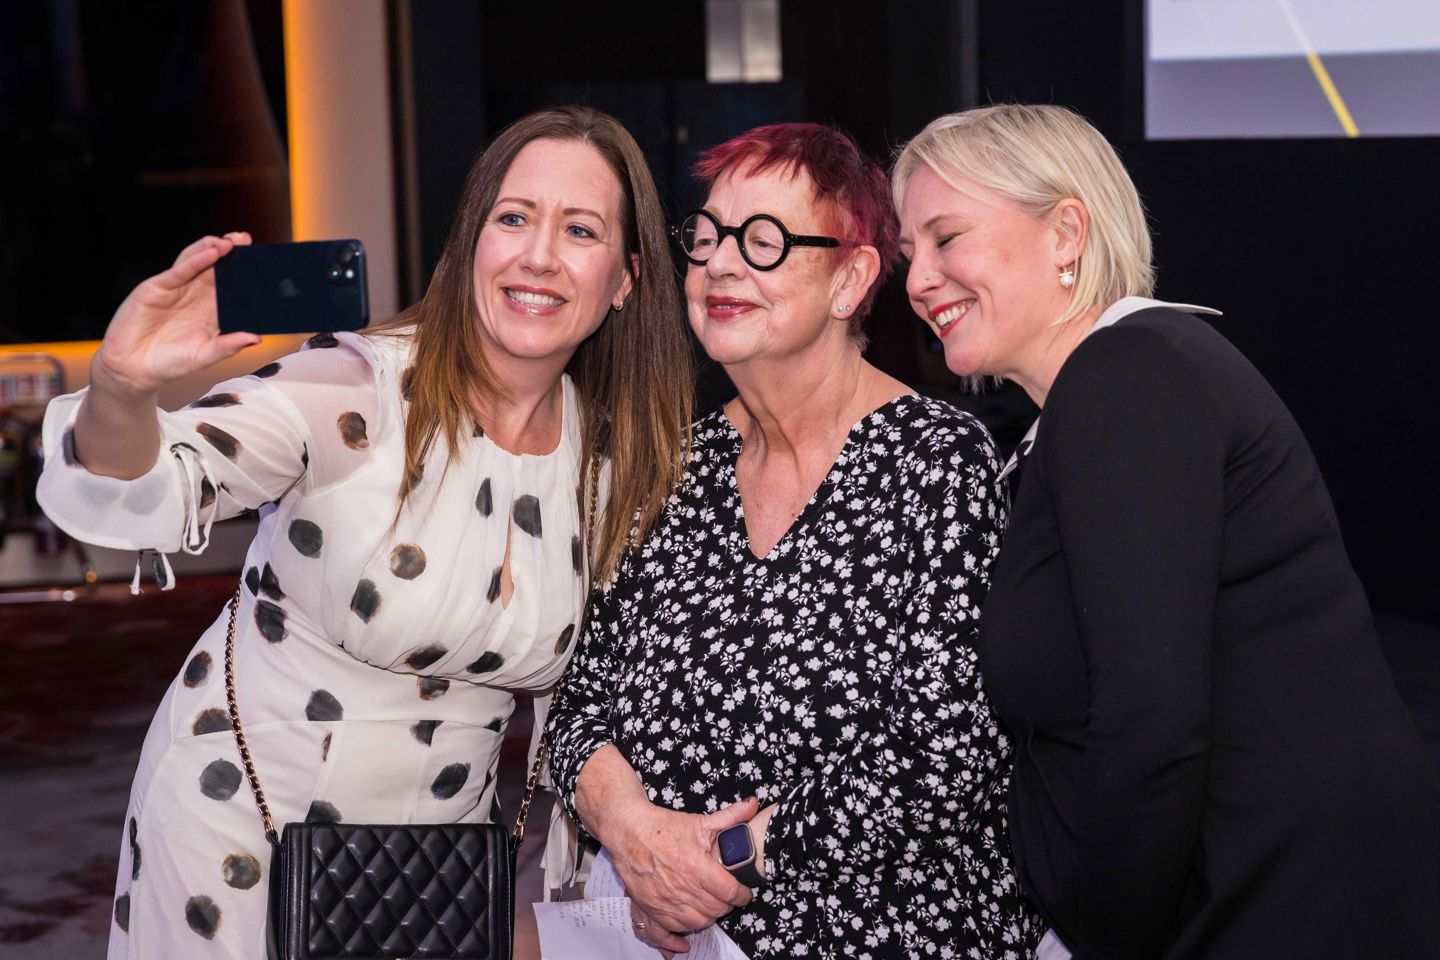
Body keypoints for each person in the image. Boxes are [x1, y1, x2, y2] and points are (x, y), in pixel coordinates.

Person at [37, 105, 694, 959]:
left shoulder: (611, 466)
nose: (538, 255)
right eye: (513, 218)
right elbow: (157, 482)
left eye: (580, 230)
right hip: (236, 837)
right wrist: (122, 389)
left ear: (625, 279)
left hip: (430, 874)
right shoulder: (354, 388)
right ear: (470, 242)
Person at [893, 102, 1440, 959]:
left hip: (1279, 909)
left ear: (1065, 233)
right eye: (908, 253)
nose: (919, 280)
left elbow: (1151, 724)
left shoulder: (1129, 377)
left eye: (947, 237)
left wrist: (1106, 940)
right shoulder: (1109, 389)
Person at [546, 123, 1041, 959]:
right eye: (708, 237)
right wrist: (635, 838)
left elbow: (949, 755)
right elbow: (577, 707)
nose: (721, 265)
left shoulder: (936, 463)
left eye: (765, 240)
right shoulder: (670, 467)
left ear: (851, 279)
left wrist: (713, 865)